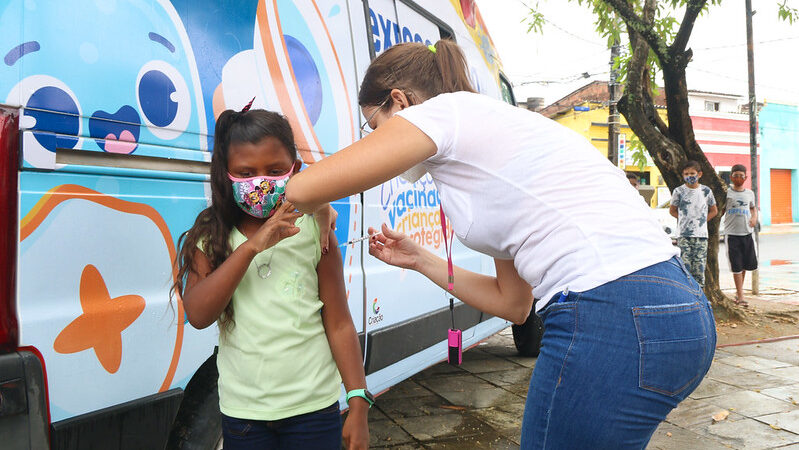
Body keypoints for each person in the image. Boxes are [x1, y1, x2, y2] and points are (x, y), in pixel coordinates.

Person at [285, 40, 716, 449]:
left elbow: (301, 190)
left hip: (611, 311)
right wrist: (418, 259)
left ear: (400, 101)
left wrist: (321, 207)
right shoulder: (490, 137)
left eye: (373, 126)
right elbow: (514, 304)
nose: (373, 139)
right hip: (677, 312)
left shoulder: (441, 113)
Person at [172, 107, 369, 449]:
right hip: (245, 415)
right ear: (226, 174)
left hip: (314, 409)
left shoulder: (315, 230)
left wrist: (357, 401)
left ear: (295, 170)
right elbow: (199, 314)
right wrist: (251, 249)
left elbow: (339, 322)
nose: (261, 183)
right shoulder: (211, 237)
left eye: (275, 171)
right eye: (246, 172)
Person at [669, 160, 718, 287]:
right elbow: (672, 210)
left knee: (699, 269)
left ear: (699, 174)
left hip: (701, 236)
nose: (689, 176)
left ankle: (699, 297)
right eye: (686, 174)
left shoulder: (706, 191)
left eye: (692, 173)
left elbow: (714, 210)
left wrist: (702, 220)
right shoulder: (679, 191)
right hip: (683, 236)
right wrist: (685, 219)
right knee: (685, 267)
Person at [723, 164, 758, 306]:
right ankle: (741, 296)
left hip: (747, 233)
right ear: (731, 176)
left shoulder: (749, 193)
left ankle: (739, 293)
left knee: (744, 265)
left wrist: (754, 217)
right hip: (732, 234)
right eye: (735, 175)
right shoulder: (726, 193)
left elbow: (752, 208)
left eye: (741, 176)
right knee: (736, 265)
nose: (738, 178)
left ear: (746, 177)